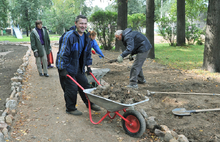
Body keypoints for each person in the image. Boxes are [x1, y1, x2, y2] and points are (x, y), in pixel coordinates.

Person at [56, 15, 101, 116]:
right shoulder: (69, 36)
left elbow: (88, 53)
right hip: (67, 67)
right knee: (71, 88)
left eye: (85, 23)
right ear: (76, 23)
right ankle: (70, 108)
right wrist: (62, 68)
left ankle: (89, 103)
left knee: (85, 85)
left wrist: (88, 66)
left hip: (78, 67)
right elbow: (62, 54)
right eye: (81, 23)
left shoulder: (86, 37)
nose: (83, 25)